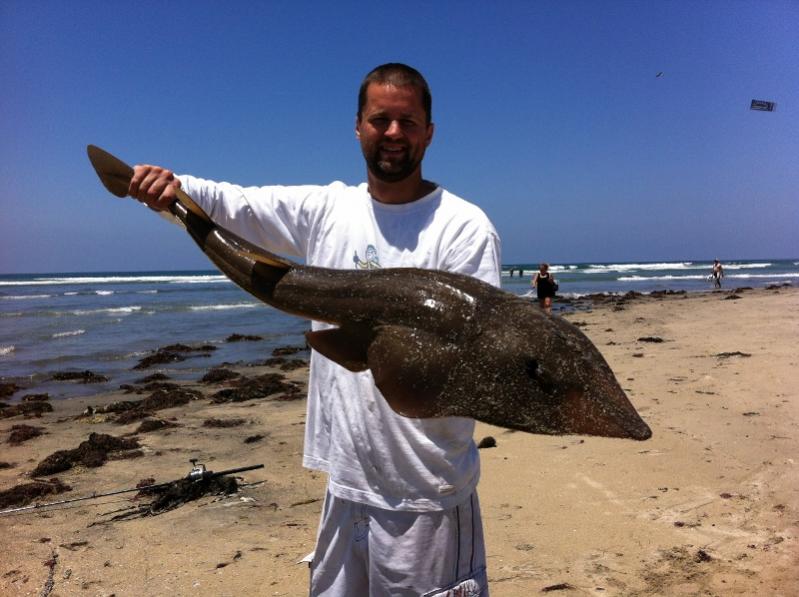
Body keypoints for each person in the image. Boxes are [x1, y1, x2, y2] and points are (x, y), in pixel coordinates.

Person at [128, 63, 500, 596]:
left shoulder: (463, 226)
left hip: (426, 491)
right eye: (380, 120)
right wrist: (173, 190)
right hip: (346, 482)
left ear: (429, 132)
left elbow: (467, 354)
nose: (393, 133)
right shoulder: (328, 209)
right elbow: (236, 207)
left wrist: (362, 339)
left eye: (408, 121)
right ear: (357, 127)